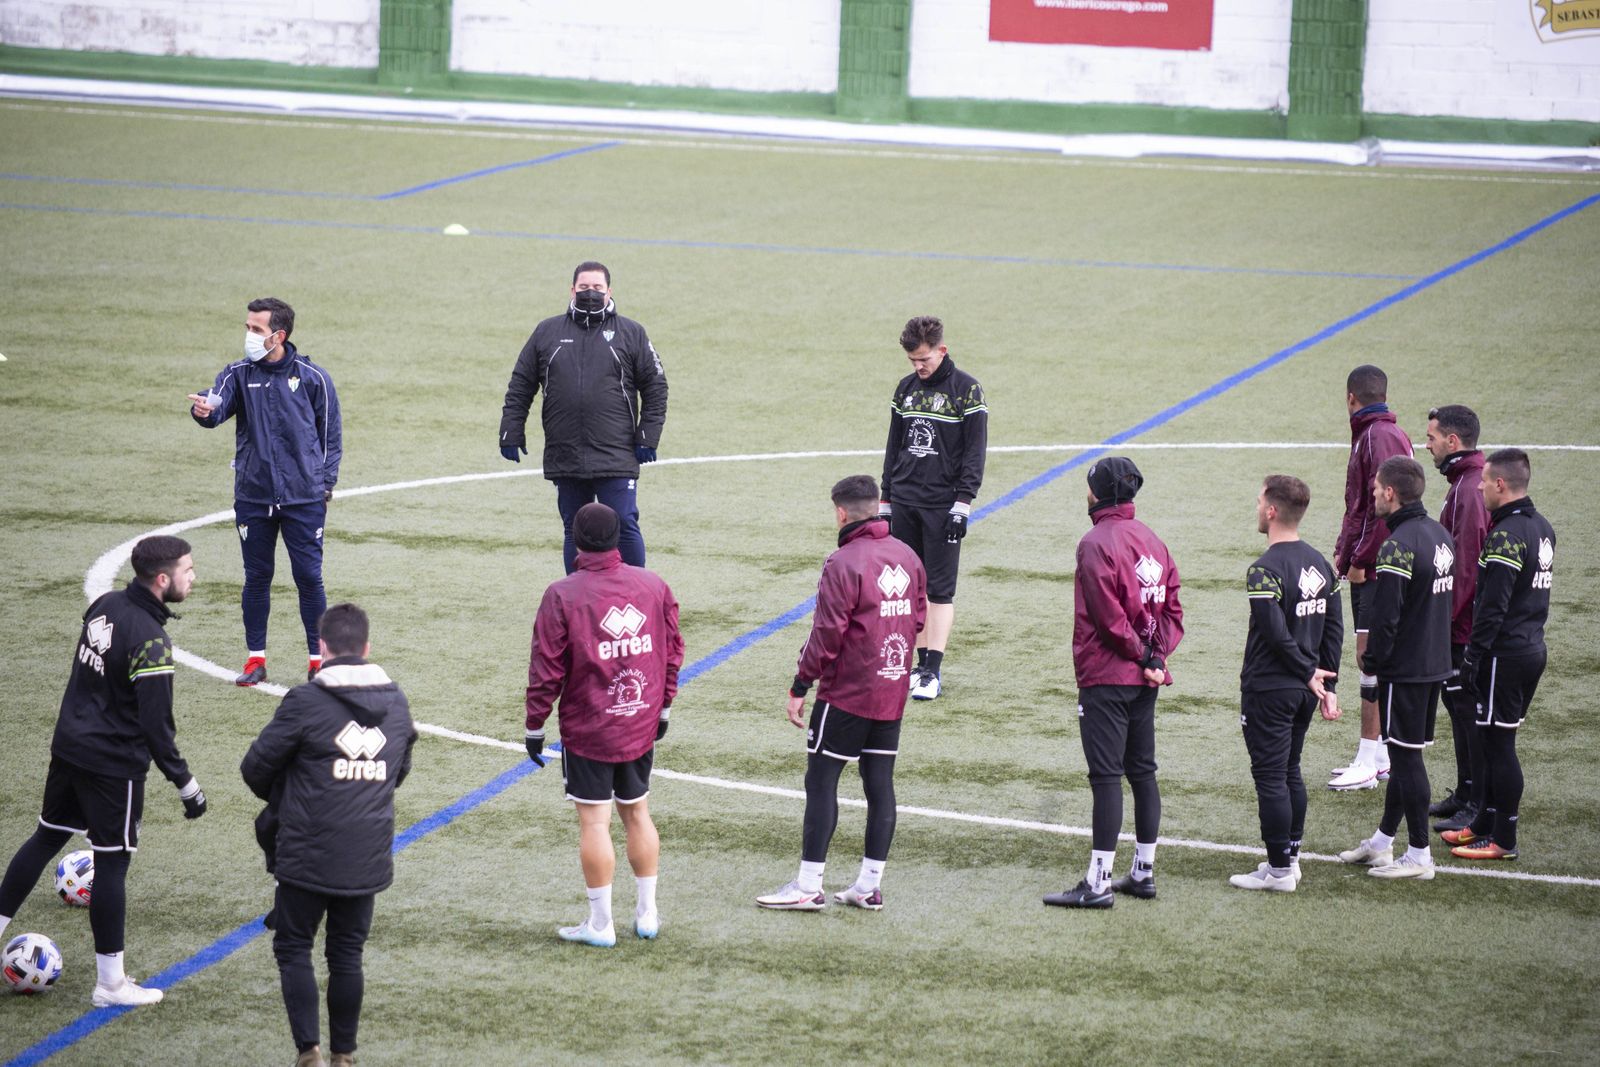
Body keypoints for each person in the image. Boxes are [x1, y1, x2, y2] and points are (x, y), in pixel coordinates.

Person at [0, 535, 207, 1008]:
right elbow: (158, 728)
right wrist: (185, 783)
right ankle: (111, 984)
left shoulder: (105, 605)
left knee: (46, 837)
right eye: (187, 570)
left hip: (69, 747)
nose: (192, 577)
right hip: (113, 765)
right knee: (112, 862)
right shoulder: (152, 643)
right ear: (162, 579)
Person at [241, 603, 416, 1067]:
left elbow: (255, 769)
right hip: (368, 854)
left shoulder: (304, 700)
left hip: (306, 850)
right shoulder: (397, 703)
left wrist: (289, 797)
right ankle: (344, 1055)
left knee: (294, 946)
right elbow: (398, 773)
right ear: (367, 649)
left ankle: (308, 1052)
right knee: (346, 953)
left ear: (322, 648)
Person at [757, 475, 927, 912]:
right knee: (879, 785)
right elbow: (920, 618)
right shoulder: (907, 556)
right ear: (878, 507)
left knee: (821, 781)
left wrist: (800, 684)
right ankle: (868, 886)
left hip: (847, 694)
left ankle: (809, 885)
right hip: (892, 690)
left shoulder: (843, 561)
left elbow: (827, 634)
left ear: (841, 512)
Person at [524, 503, 684, 946]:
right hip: (639, 723)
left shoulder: (562, 594)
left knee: (595, 824)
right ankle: (648, 914)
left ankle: (600, 925)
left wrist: (535, 724)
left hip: (589, 727)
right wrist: (664, 706)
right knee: (638, 812)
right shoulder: (652, 584)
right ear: (619, 538)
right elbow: (673, 649)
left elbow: (547, 668)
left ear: (576, 540)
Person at [1045, 457, 1182, 909]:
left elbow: (1107, 618)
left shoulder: (1094, 542)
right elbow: (1173, 611)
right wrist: (1156, 657)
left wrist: (1143, 655)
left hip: (1107, 676)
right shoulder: (1154, 542)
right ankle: (1143, 871)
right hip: (1145, 679)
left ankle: (1098, 882)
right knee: (1142, 771)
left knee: (1106, 777)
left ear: (1098, 492)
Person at [189, 297, 343, 687]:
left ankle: (317, 662)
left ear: (279, 335)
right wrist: (203, 411)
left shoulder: (313, 377)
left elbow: (331, 435)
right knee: (256, 576)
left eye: (256, 329)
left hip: (303, 498)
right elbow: (216, 406)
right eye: (247, 327)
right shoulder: (237, 374)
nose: (249, 335)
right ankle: (256, 658)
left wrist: (324, 485)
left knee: (309, 578)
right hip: (254, 496)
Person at [499, 262, 669, 574]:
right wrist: (511, 429)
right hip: (565, 451)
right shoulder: (547, 332)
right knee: (574, 529)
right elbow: (521, 383)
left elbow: (655, 386)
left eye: (597, 288)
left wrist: (647, 436)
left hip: (616, 452)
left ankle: (637, 591)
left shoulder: (631, 333)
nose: (590, 294)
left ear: (609, 291)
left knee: (624, 523)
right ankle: (578, 594)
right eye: (584, 288)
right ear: (572, 289)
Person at [1337, 457, 1454, 881]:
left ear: (1390, 492)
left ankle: (1420, 855)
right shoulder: (1440, 535)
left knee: (1406, 761)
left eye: (1375, 491)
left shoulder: (1397, 545)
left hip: (1405, 668)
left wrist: (1373, 672)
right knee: (1406, 754)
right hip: (1433, 663)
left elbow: (1386, 618)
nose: (1372, 497)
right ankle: (1384, 842)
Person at [1230, 476, 1343, 893]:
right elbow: (1334, 628)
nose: (1257, 507)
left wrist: (1306, 672)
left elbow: (1275, 634)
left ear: (1272, 511)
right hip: (1305, 692)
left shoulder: (1264, 570)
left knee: (1271, 778)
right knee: (1290, 770)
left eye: (1260, 500)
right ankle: (1288, 860)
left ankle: (1278, 871)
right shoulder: (1320, 563)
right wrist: (1326, 681)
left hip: (1271, 688)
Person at [1442, 449, 1554, 862]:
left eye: (1485, 482)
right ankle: (1484, 824)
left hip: (1504, 655)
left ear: (1501, 485)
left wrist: (1473, 655)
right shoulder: (1540, 527)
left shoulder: (1506, 535)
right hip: (1529, 647)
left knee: (1499, 745)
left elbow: (1493, 605)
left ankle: (1503, 838)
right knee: (1490, 741)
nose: (1481, 488)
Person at [879, 315, 987, 702]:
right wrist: (886, 499)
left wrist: (964, 503)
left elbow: (975, 453)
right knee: (909, 589)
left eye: (923, 359)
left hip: (943, 506)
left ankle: (931, 671)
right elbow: (894, 446)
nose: (918, 367)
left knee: (939, 590)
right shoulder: (905, 390)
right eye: (912, 361)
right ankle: (913, 664)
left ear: (942, 350)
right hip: (904, 501)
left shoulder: (967, 391)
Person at [1329, 364, 1414, 791]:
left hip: (1378, 566)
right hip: (1374, 559)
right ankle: (1378, 753)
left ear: (1351, 398)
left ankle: (1369, 755)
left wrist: (1358, 557)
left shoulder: (1376, 436)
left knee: (1370, 656)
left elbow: (1381, 507)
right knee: (1371, 656)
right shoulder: (1378, 433)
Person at [1421, 405, 1490, 832]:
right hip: (1459, 623)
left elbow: (1464, 565)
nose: (1425, 444)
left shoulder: (1468, 489)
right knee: (1458, 707)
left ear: (1452, 441)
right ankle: (1466, 791)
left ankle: (1477, 802)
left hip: (1461, 626)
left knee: (1467, 712)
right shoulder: (1463, 482)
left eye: (1430, 438)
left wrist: (1441, 622)